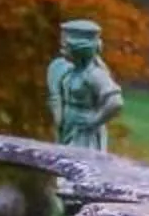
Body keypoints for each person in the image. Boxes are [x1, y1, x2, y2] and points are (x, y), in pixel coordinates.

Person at [47, 19, 124, 151]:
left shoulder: (94, 74)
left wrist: (94, 121)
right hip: (69, 128)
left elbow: (115, 102)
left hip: (84, 134)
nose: (62, 51)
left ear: (78, 49)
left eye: (65, 47)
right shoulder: (70, 71)